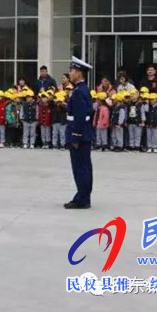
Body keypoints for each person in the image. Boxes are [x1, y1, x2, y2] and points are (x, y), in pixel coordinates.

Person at [64, 56, 93, 209]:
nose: (70, 74)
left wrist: (76, 136)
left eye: (72, 71)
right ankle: (83, 196)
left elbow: (80, 116)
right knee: (84, 166)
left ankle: (82, 198)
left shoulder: (79, 92)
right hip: (82, 134)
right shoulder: (81, 90)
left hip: (79, 136)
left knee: (80, 167)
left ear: (79, 73)